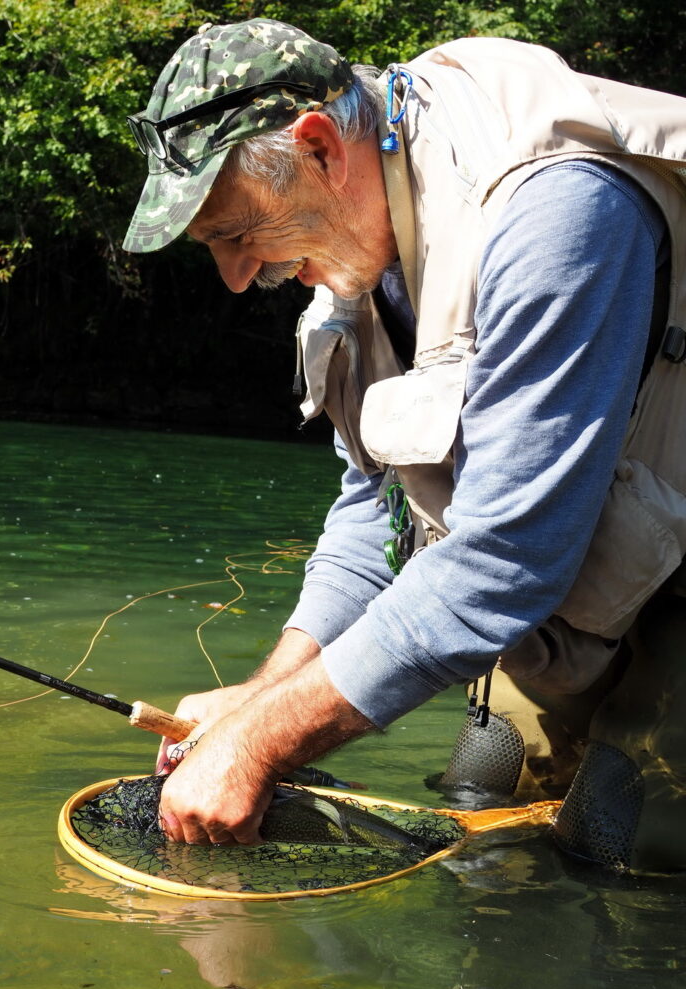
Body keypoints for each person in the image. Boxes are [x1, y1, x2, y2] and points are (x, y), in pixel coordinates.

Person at [122, 19, 686, 872]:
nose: (236, 277)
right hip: (596, 570)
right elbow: (378, 511)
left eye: (236, 233)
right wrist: (260, 698)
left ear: (319, 149)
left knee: (615, 840)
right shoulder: (353, 243)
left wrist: (261, 744)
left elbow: (505, 561)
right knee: (483, 785)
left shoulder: (557, 212)